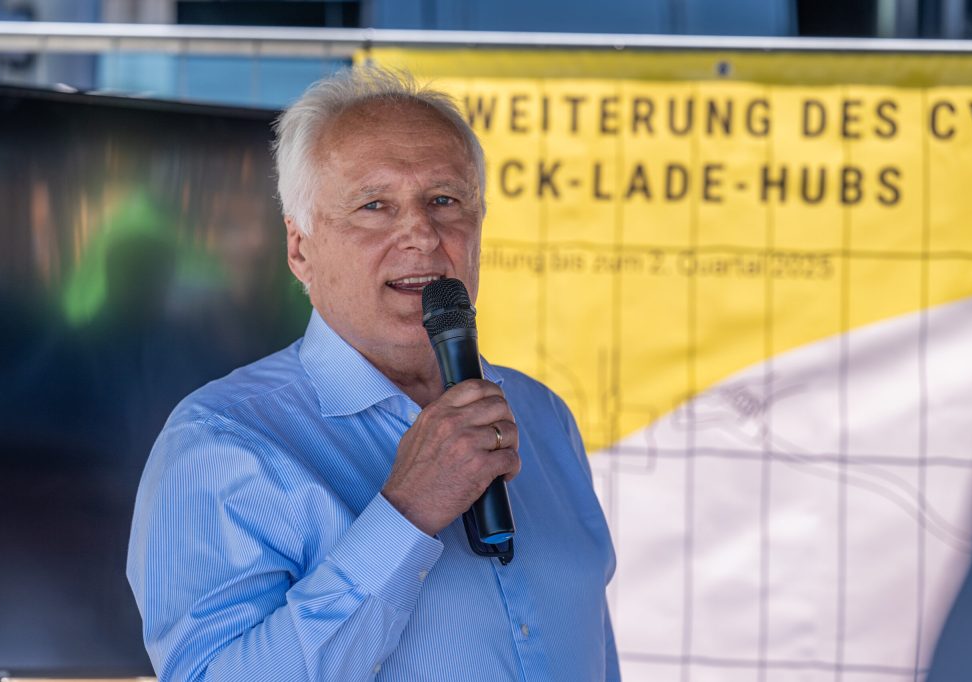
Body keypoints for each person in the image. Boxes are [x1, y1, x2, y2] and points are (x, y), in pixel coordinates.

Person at [127, 66, 619, 682]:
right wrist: (406, 513)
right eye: (374, 205)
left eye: (444, 200)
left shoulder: (543, 415)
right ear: (300, 248)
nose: (421, 235)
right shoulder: (220, 441)